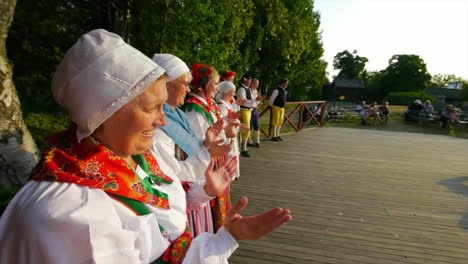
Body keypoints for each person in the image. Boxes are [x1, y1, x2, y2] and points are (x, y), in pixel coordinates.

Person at [0, 29, 292, 263]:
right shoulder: (68, 214)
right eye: (152, 107)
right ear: (106, 110)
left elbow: (167, 243)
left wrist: (226, 236)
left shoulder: (137, 157)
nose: (163, 121)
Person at [151, 54, 233, 237]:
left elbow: (189, 151)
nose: (189, 89)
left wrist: (206, 143)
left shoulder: (176, 115)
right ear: (166, 83)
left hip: (196, 192)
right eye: (185, 83)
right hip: (185, 200)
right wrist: (207, 152)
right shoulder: (156, 127)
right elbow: (170, 174)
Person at [181, 63, 240, 231]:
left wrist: (228, 127)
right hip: (205, 166)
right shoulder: (193, 109)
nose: (216, 88)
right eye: (214, 83)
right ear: (206, 84)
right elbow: (196, 144)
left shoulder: (207, 105)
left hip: (214, 160)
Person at [216, 81, 243, 180]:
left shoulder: (227, 103)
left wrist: (237, 105)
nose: (234, 94)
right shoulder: (221, 105)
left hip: (232, 135)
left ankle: (232, 174)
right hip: (227, 136)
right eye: (232, 91)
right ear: (226, 91)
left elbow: (232, 112)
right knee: (229, 155)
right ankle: (227, 176)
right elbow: (224, 121)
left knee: (233, 154)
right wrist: (235, 123)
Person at [236, 74, 256, 157]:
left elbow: (250, 101)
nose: (250, 81)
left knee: (247, 129)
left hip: (249, 111)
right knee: (245, 129)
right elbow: (244, 102)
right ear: (244, 80)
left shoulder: (248, 89)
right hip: (243, 110)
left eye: (251, 80)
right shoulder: (241, 89)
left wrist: (256, 102)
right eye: (249, 79)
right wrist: (255, 100)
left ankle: (243, 148)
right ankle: (242, 149)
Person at [248, 78, 263, 148]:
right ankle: (249, 141)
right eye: (256, 84)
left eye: (257, 84)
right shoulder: (248, 91)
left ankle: (257, 141)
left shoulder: (256, 91)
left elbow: (256, 100)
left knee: (257, 125)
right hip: (249, 109)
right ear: (252, 83)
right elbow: (249, 101)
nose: (257, 85)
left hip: (255, 110)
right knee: (249, 126)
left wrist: (259, 103)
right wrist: (256, 100)